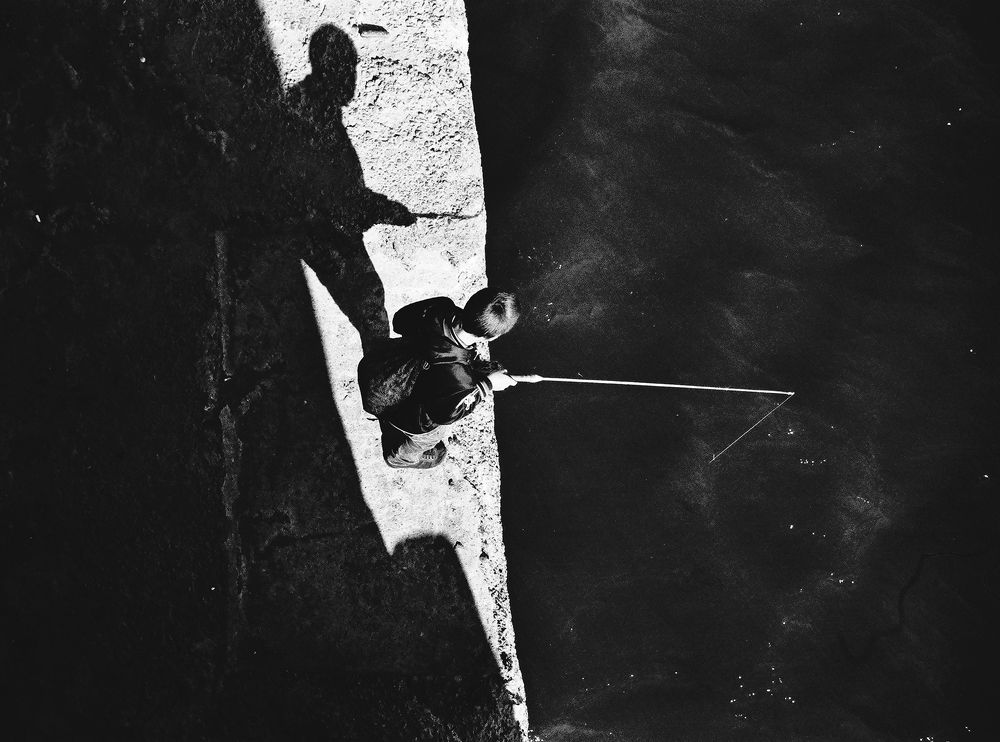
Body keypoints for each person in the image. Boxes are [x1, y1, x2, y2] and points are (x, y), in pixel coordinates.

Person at [379, 288, 528, 469]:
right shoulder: (459, 378)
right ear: (492, 337)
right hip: (391, 402)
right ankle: (400, 458)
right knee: (433, 434)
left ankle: (391, 424)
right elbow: (446, 414)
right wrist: (488, 384)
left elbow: (399, 321)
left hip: (379, 370)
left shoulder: (440, 307)